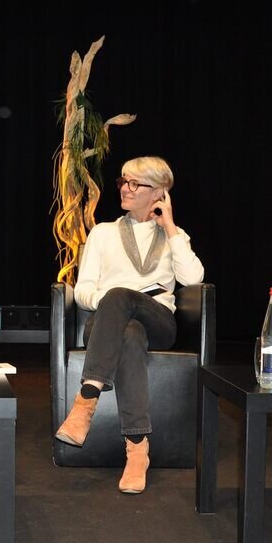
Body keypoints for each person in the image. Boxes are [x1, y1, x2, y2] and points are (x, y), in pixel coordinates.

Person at [55, 156, 205, 493]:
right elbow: (82, 292)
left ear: (159, 193)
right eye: (123, 181)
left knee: (131, 311)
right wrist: (111, 302)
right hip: (105, 323)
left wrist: (170, 227)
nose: (125, 188)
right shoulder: (103, 233)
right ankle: (137, 449)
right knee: (128, 330)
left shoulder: (175, 236)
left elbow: (193, 278)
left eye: (135, 183)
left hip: (158, 321)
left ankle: (86, 401)